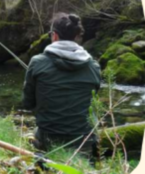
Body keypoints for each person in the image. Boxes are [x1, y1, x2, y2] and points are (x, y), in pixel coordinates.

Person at [22, 13, 101, 159]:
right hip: (84, 140)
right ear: (76, 36)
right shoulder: (94, 66)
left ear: (54, 36)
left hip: (48, 137)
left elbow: (27, 103)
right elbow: (92, 102)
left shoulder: (37, 62)